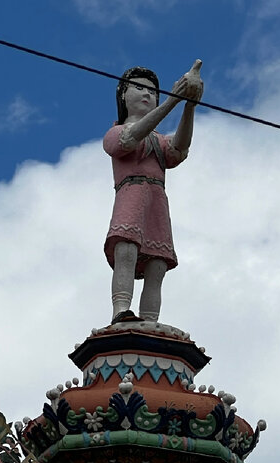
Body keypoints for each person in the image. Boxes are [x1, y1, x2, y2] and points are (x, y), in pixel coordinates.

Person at [104, 61, 204, 324]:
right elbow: (129, 139)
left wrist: (189, 106)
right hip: (131, 196)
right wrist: (172, 102)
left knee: (157, 263)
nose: (148, 94)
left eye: (153, 91)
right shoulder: (116, 132)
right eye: (139, 88)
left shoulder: (159, 141)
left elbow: (179, 149)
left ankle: (150, 320)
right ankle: (121, 309)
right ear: (123, 95)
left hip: (157, 202)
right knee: (126, 251)